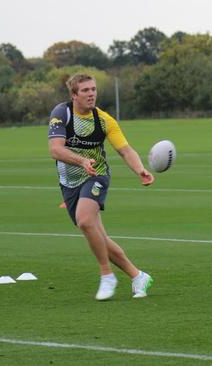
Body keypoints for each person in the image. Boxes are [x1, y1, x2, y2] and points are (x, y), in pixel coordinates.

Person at [48, 73, 154, 301]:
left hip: (97, 176)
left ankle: (107, 275)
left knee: (85, 221)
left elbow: (125, 150)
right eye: (85, 90)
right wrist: (81, 161)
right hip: (69, 183)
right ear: (74, 95)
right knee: (98, 236)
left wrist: (140, 170)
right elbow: (55, 150)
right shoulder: (62, 114)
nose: (91, 94)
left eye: (93, 89)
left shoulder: (105, 120)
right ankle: (138, 276)